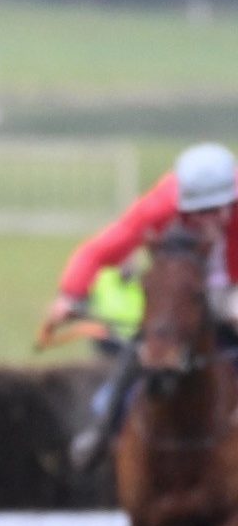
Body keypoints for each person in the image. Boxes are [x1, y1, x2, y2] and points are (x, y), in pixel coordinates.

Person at [39, 141, 238, 472]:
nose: (210, 220)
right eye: (199, 211)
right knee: (145, 350)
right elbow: (100, 250)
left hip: (231, 287)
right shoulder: (159, 206)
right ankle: (100, 428)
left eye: (218, 209)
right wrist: (70, 295)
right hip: (182, 292)